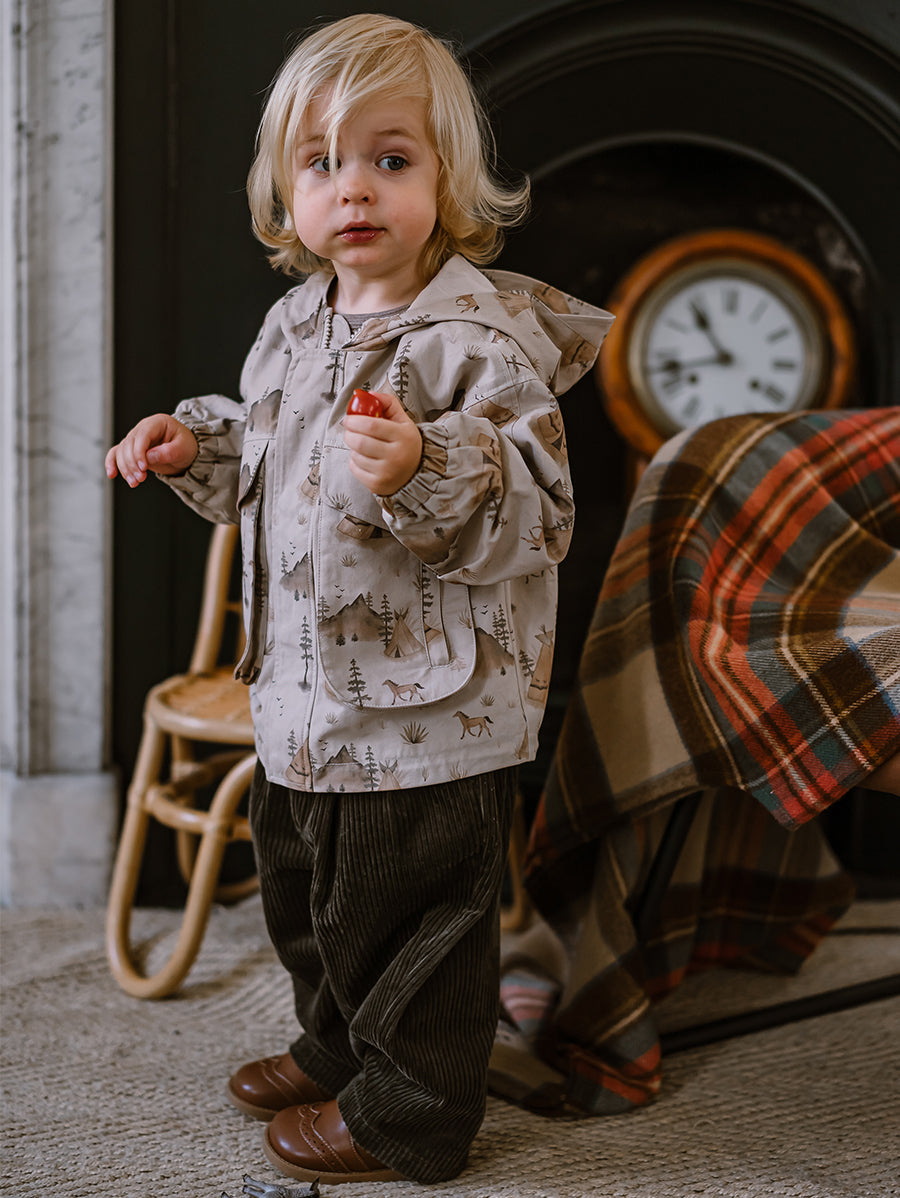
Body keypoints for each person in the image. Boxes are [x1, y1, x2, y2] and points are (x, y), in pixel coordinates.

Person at [105, 13, 612, 1187]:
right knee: (310, 896)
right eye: (322, 162)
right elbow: (264, 459)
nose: (356, 188)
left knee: (412, 913)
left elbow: (540, 511)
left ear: (449, 180)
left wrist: (425, 464)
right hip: (303, 697)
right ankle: (340, 1046)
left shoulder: (474, 343)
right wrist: (195, 448)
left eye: (391, 158)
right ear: (287, 194)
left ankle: (412, 1113)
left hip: (430, 713)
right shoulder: (295, 325)